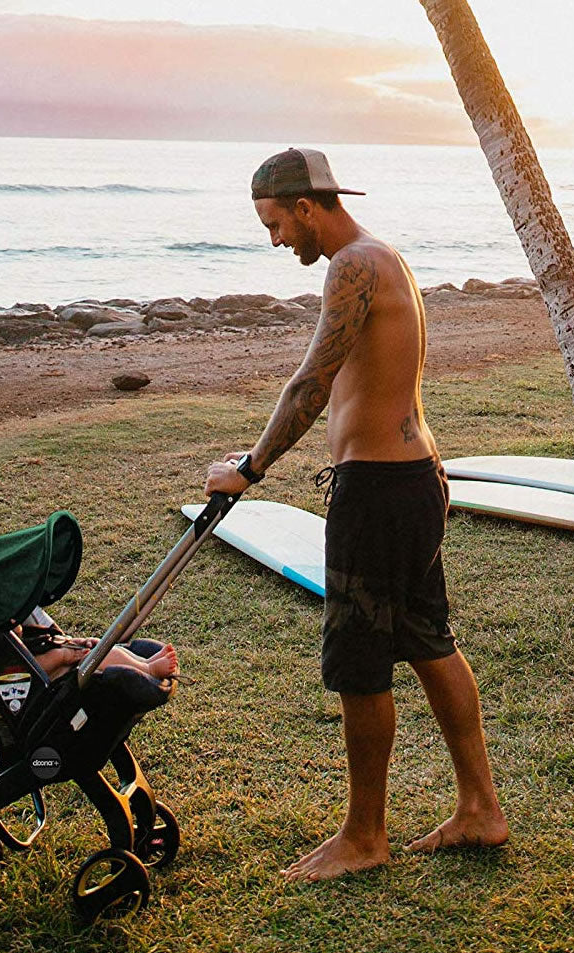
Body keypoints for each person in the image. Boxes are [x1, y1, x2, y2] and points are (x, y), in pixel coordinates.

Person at [205, 148, 507, 882]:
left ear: (308, 207)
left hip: (379, 493)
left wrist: (248, 469)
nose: (277, 241)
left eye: (277, 224)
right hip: (409, 481)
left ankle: (365, 836)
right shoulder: (383, 257)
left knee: (360, 662)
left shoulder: (354, 265)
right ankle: (481, 810)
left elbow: (311, 382)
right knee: (427, 639)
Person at [15, 607, 179, 682]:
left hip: (73, 664)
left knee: (103, 649)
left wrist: (74, 642)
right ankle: (149, 670)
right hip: (64, 681)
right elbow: (31, 671)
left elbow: (52, 638)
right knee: (102, 657)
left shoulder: (23, 635)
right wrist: (63, 655)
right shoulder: (5, 653)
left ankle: (144, 662)